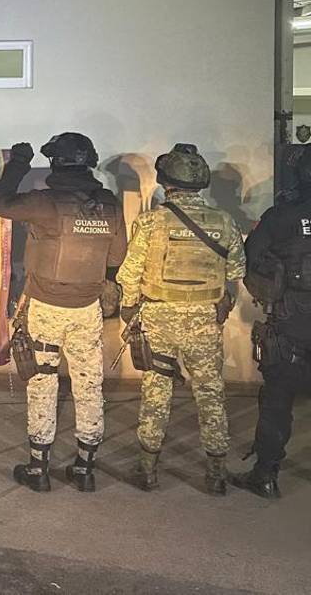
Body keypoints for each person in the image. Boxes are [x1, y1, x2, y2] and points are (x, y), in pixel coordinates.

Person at [0, 134, 127, 492]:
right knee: (89, 384)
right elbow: (116, 258)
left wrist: (18, 164)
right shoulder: (110, 204)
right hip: (87, 309)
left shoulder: (45, 202)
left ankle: (38, 469)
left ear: (55, 162)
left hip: (46, 307)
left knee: (42, 381)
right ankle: (85, 468)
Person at [116, 144, 245, 495]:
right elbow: (236, 271)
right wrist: (222, 301)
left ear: (167, 181)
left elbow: (130, 275)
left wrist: (128, 309)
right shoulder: (224, 221)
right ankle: (216, 474)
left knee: (156, 390)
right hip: (205, 320)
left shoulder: (151, 221)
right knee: (210, 392)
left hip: (158, 316)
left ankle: (148, 470)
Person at [229, 151, 311, 499]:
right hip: (292, 316)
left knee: (277, 399)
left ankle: (265, 475)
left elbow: (250, 264)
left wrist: (270, 297)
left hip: (291, 320)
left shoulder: (280, 216)